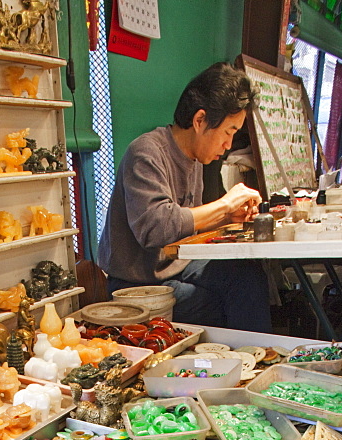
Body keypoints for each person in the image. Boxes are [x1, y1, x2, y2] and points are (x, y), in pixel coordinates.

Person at [97, 63, 271, 332]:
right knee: (212, 303)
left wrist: (226, 217)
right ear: (200, 121)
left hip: (174, 266)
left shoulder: (195, 157)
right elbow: (157, 229)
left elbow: (186, 223)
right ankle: (230, 364)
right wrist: (225, 204)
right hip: (136, 284)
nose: (227, 146)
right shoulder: (146, 152)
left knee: (246, 276)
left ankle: (256, 359)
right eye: (228, 132)